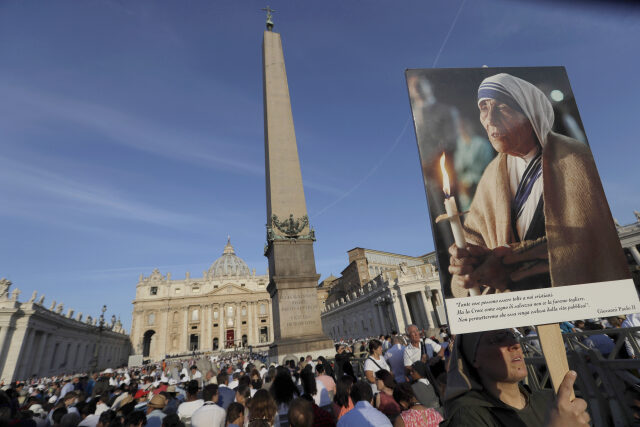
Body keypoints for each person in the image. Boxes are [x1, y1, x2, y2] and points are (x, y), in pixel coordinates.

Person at [449, 73, 630, 297]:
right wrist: (467, 265)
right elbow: (471, 243)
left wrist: (514, 262)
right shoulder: (490, 176)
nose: (490, 119)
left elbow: (597, 239)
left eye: (502, 108)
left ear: (530, 114)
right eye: (484, 108)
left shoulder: (577, 159)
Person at [441, 329, 590, 426]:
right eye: (499, 339)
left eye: (512, 336)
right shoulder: (467, 416)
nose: (515, 344)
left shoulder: (549, 401)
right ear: (473, 358)